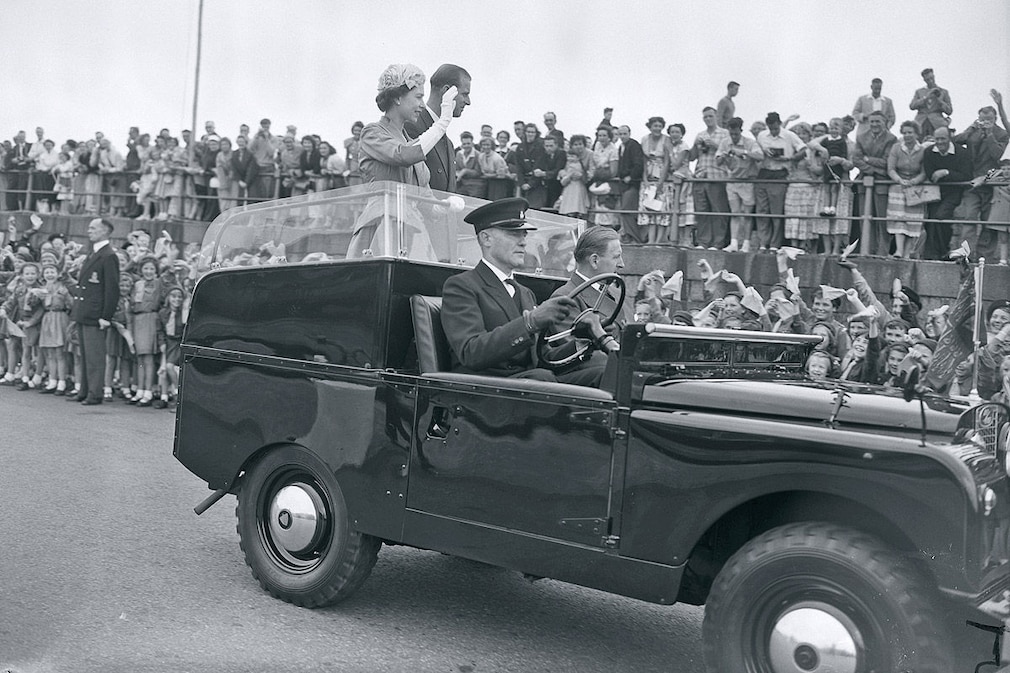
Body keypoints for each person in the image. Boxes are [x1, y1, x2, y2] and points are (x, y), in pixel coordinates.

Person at [440, 197, 611, 386]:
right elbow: (470, 353)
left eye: (524, 234)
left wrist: (583, 341)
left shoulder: (524, 293)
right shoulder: (462, 286)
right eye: (513, 233)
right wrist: (530, 322)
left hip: (528, 386)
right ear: (486, 238)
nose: (523, 242)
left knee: (605, 374)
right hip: (485, 390)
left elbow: (543, 357)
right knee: (542, 378)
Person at [68, 218, 119, 405]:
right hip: (86, 311)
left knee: (95, 357)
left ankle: (95, 393)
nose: (89, 231)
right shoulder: (94, 253)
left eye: (93, 228)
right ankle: (84, 390)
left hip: (96, 314)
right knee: (86, 355)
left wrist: (106, 316)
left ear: (105, 231)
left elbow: (112, 289)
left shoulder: (108, 255)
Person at [551, 226, 629, 345]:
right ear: (594, 261)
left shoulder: (617, 293)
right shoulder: (566, 298)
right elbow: (576, 351)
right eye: (616, 257)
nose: (621, 264)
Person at [403, 63, 471, 193]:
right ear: (447, 91)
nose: (468, 101)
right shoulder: (411, 126)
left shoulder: (449, 144)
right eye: (465, 94)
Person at [754, 112, 806, 251]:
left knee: (776, 212)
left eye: (776, 128)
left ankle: (774, 244)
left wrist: (790, 159)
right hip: (764, 172)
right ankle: (763, 243)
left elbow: (803, 150)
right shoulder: (762, 135)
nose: (774, 131)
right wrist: (765, 152)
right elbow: (756, 151)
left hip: (780, 173)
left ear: (779, 124)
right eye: (771, 128)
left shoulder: (789, 135)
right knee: (762, 211)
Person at [922, 126, 972, 260]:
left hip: (954, 191)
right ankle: (935, 254)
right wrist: (944, 174)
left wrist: (946, 172)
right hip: (935, 191)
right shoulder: (928, 152)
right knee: (931, 221)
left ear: (949, 138)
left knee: (942, 216)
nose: (939, 142)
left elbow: (966, 176)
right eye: (937, 139)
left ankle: (945, 251)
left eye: (942, 138)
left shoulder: (962, 153)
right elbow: (930, 173)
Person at [852, 111, 898, 256]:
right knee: (864, 218)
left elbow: (886, 162)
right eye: (872, 121)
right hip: (864, 181)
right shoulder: (860, 137)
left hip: (882, 182)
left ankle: (882, 251)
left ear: (885, 122)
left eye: (878, 121)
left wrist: (867, 159)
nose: (874, 125)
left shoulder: (891, 139)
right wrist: (871, 169)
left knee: (882, 219)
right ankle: (867, 250)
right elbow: (856, 159)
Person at [716, 117, 762, 252]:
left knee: (747, 214)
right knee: (734, 213)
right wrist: (723, 156)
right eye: (732, 134)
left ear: (741, 131)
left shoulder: (750, 142)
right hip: (732, 181)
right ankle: (734, 242)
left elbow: (760, 156)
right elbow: (717, 162)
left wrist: (744, 152)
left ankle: (746, 244)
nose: (734, 136)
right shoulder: (725, 142)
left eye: (736, 133)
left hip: (747, 181)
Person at [690, 107, 731, 249]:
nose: (708, 119)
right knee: (701, 211)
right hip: (701, 174)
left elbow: (729, 152)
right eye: (705, 117)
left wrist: (714, 145)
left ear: (716, 116)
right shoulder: (700, 134)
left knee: (718, 210)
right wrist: (696, 145)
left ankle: (718, 242)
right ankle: (703, 242)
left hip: (717, 175)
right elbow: (692, 157)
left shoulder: (725, 134)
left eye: (710, 116)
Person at [885, 121, 927, 258]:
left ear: (916, 133)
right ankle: (899, 250)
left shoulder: (922, 149)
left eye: (910, 132)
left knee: (912, 220)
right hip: (898, 186)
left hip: (915, 188)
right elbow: (890, 169)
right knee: (899, 218)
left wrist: (915, 181)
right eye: (905, 133)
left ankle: (908, 252)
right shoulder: (896, 148)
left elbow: (924, 171)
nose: (907, 135)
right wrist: (899, 180)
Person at [638, 117, 672, 245]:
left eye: (659, 126)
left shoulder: (666, 140)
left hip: (662, 176)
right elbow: (643, 160)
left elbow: (667, 161)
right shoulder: (644, 139)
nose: (657, 128)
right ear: (650, 127)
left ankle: (659, 241)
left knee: (662, 210)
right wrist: (645, 179)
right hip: (648, 175)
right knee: (649, 209)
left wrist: (661, 182)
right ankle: (651, 240)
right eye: (655, 126)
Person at [909, 68, 952, 138]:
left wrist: (939, 100)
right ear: (924, 80)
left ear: (934, 77)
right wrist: (925, 98)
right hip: (921, 122)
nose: (931, 81)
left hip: (937, 123)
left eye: (931, 78)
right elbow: (912, 106)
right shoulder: (919, 92)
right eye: (928, 79)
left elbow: (949, 111)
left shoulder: (943, 92)